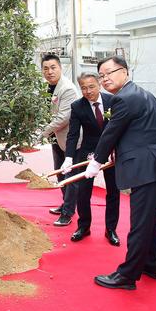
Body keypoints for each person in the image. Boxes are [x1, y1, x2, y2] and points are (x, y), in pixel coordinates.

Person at [83, 55, 156, 290]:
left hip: (148, 170)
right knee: (149, 219)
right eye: (101, 76)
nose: (105, 79)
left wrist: (96, 163)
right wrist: (149, 140)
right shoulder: (141, 93)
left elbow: (110, 134)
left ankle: (127, 276)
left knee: (140, 222)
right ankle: (152, 265)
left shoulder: (123, 99)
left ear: (125, 72)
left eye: (109, 73)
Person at [61, 72, 120, 246]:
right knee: (83, 192)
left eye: (91, 86)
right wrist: (69, 157)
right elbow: (72, 135)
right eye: (83, 88)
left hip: (112, 153)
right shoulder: (77, 106)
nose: (88, 91)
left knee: (113, 192)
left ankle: (111, 229)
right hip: (88, 152)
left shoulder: (113, 101)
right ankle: (83, 227)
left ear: (99, 84)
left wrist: (117, 150)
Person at [39, 54, 80, 226]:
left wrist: (42, 133)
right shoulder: (47, 87)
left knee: (70, 176)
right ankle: (65, 204)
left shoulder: (68, 89)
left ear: (60, 68)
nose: (49, 72)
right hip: (56, 138)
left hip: (71, 139)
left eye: (53, 67)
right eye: (46, 68)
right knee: (59, 173)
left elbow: (63, 117)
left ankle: (68, 213)